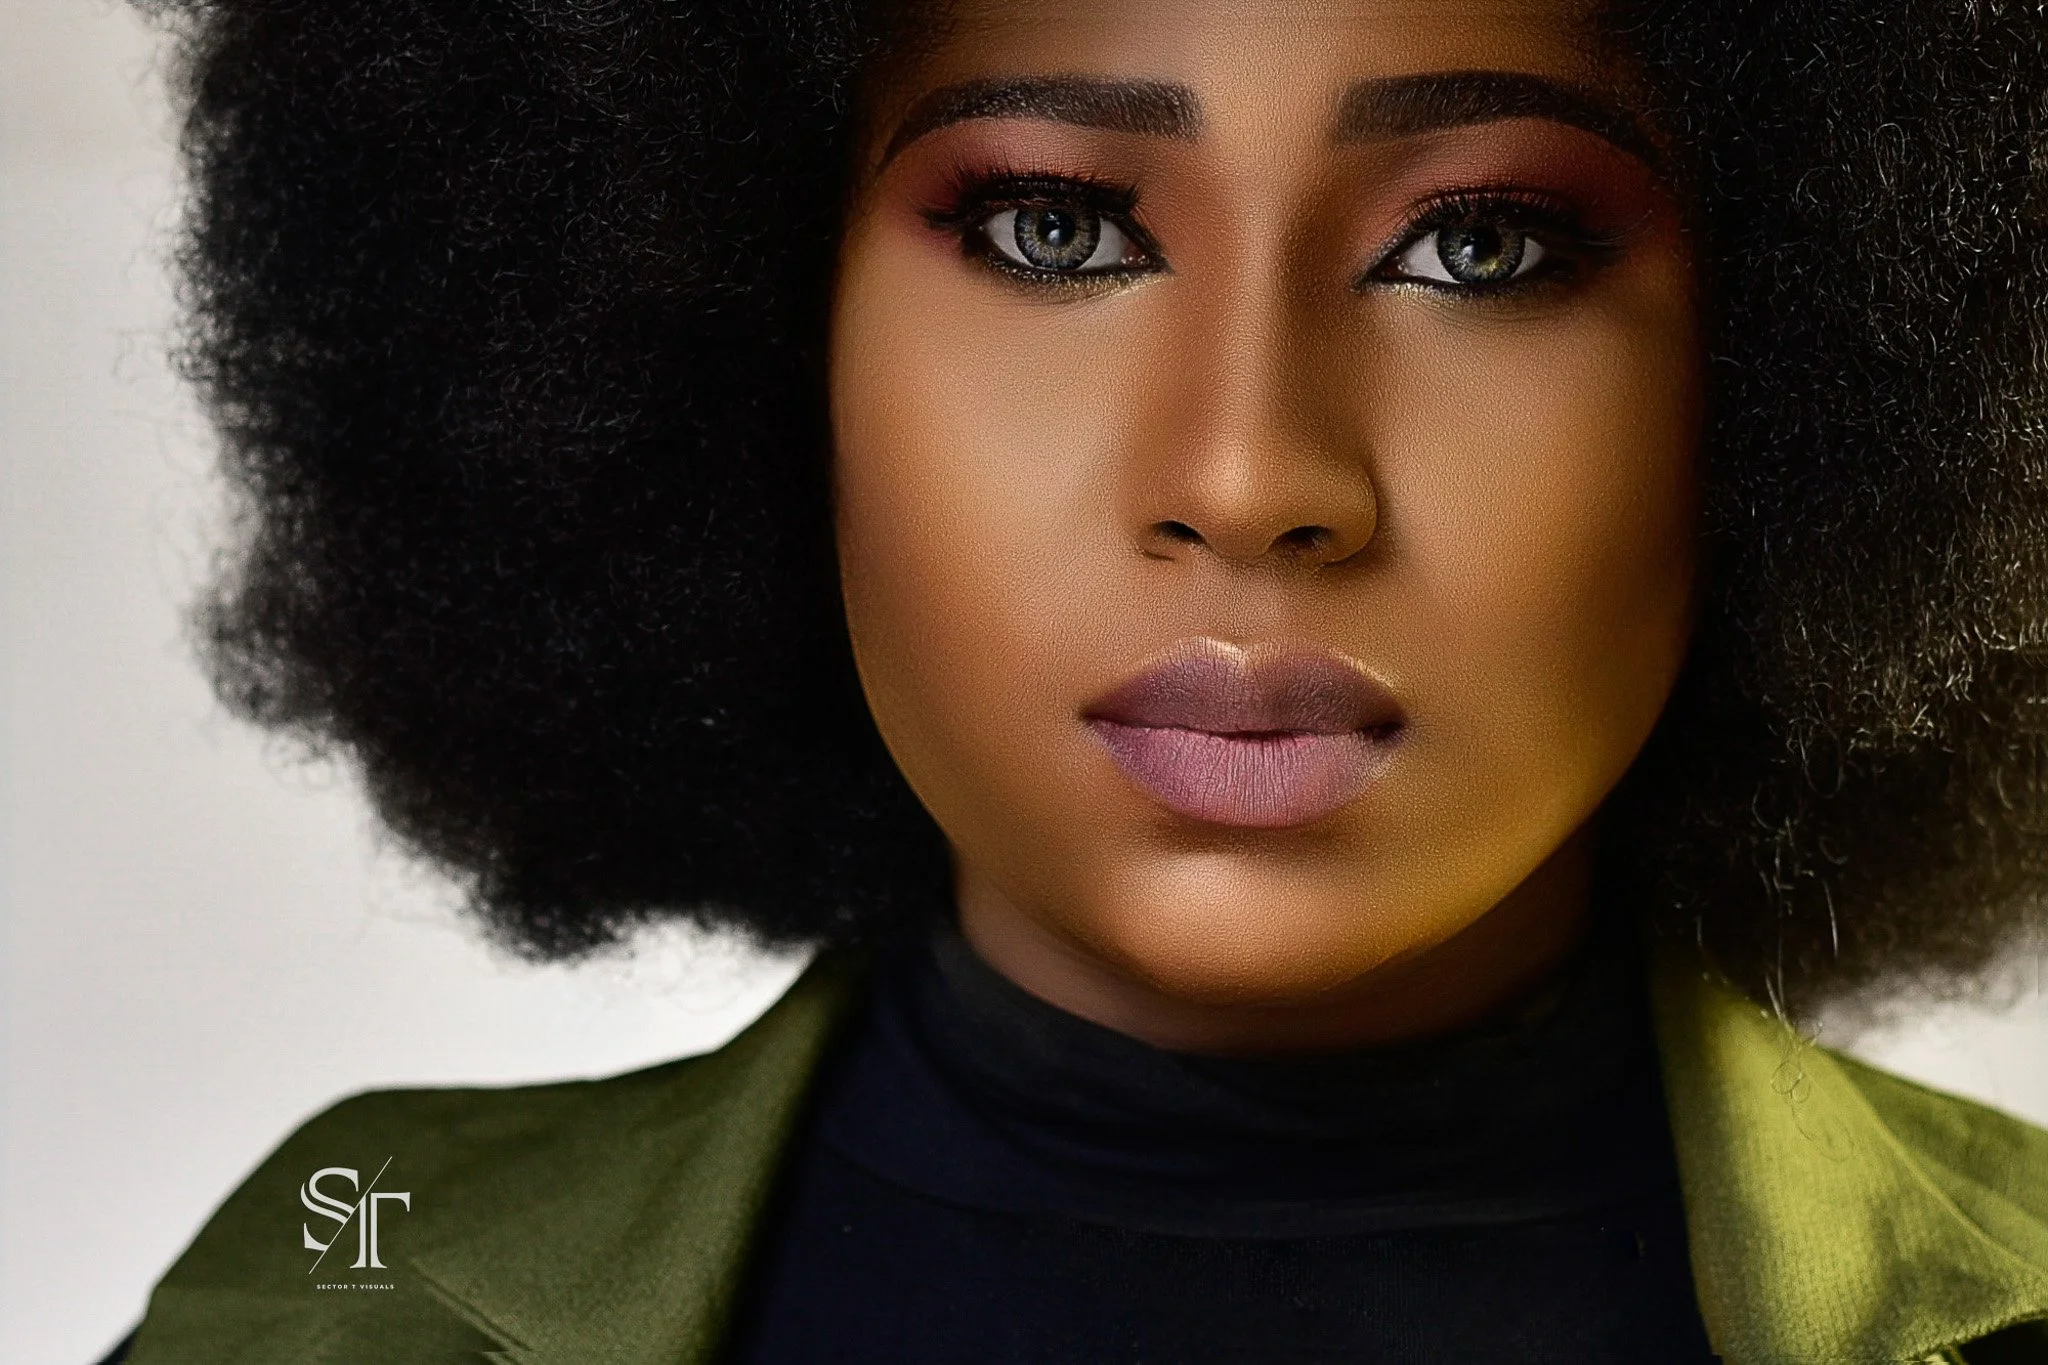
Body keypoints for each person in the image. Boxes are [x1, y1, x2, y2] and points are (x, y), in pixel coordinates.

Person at [107, 0, 2048, 1360]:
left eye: (1479, 242)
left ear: (1810, 371)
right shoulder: (339, 1295)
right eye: (1055, 225)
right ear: (750, 330)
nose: (1247, 474)